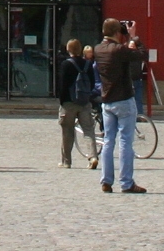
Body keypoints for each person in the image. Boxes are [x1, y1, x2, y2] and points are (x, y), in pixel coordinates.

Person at [91, 19, 147, 194]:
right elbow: (141, 55)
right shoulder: (119, 50)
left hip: (107, 100)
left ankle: (106, 180)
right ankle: (126, 182)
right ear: (117, 32)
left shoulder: (98, 49)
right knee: (125, 142)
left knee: (108, 141)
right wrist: (133, 37)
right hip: (124, 99)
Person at [57, 38, 100, 169]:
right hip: (84, 102)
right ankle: (93, 157)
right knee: (88, 131)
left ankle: (66, 161)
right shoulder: (87, 64)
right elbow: (92, 83)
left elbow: (62, 85)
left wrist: (62, 101)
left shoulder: (66, 64)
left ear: (68, 49)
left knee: (67, 131)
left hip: (69, 103)